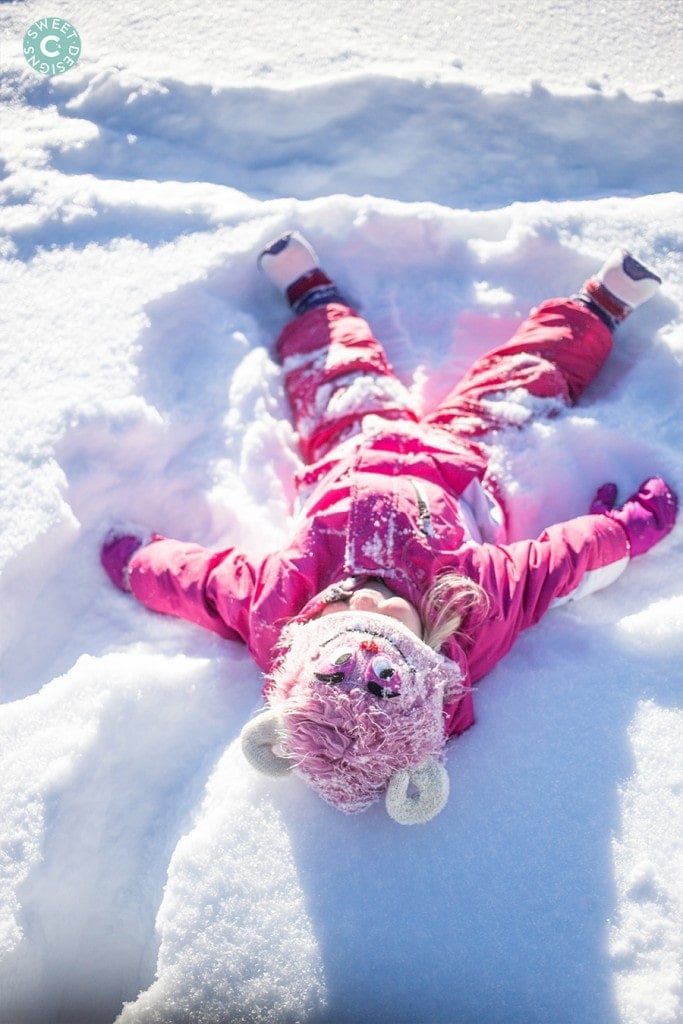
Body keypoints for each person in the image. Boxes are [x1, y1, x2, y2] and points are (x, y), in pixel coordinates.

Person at [101, 232, 677, 824]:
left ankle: (312, 295)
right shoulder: (471, 606)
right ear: (426, 654)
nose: (368, 595)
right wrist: (629, 526)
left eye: (344, 610)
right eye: (390, 621)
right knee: (521, 380)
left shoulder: (277, 605)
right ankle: (599, 308)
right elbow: (559, 564)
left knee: (337, 375)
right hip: (461, 460)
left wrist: (136, 563)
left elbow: (204, 582)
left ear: (304, 644)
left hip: (349, 452)